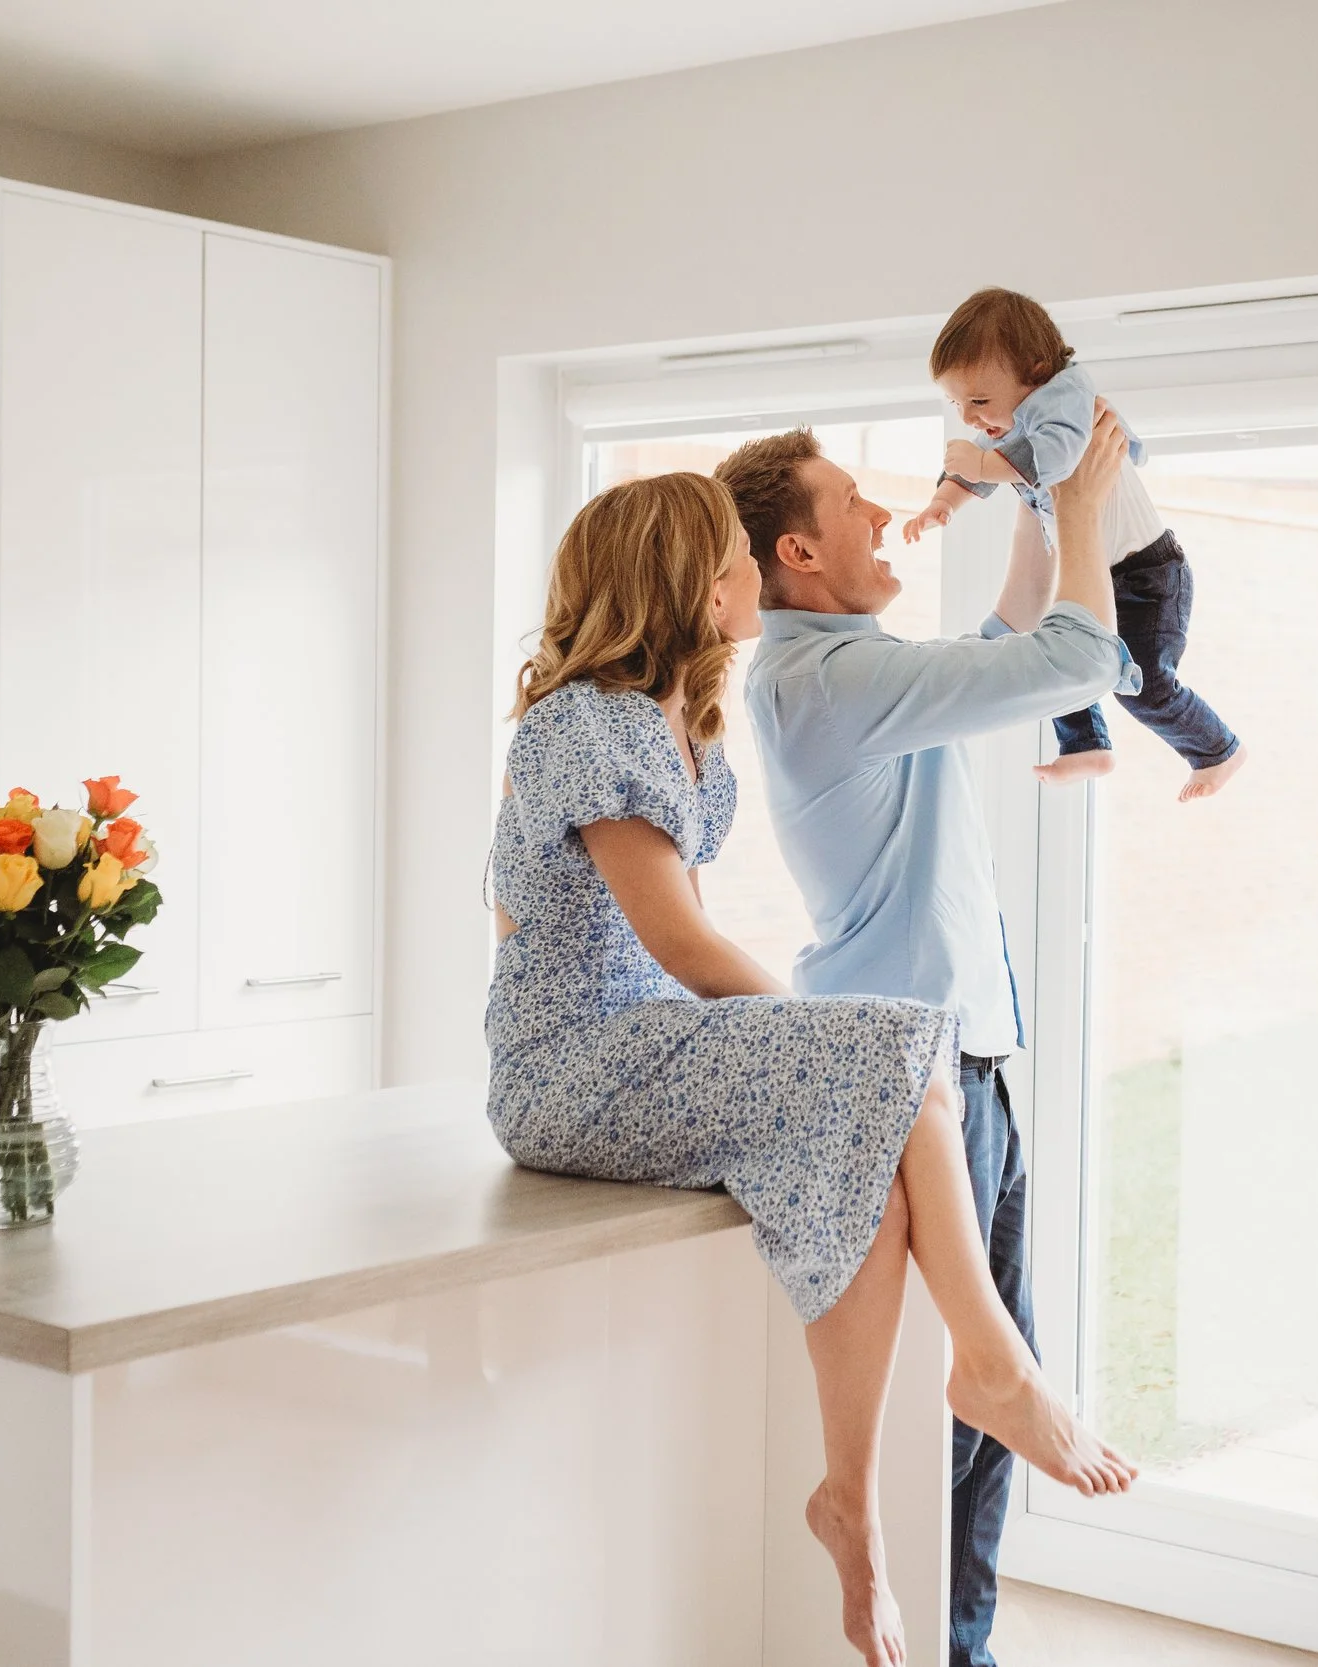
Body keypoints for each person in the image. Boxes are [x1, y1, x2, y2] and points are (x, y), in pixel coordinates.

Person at [485, 470, 1135, 1667]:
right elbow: (676, 940)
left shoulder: (676, 718)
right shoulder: (584, 724)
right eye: (733, 556)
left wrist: (836, 1058)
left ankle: (853, 1504)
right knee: (885, 1046)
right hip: (568, 1063)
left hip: (640, 1046)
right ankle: (991, 1363)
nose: (750, 575)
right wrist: (823, 1043)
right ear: (687, 578)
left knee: (881, 1119)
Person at [718, 404, 1138, 1667]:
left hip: (968, 1066)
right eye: (847, 501)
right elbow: (1074, 658)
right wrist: (1080, 509)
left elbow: (1010, 633)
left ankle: (969, 1647)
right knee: (962, 1410)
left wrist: (1023, 487)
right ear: (798, 554)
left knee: (990, 1406)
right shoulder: (823, 678)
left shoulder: (861, 672)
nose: (873, 509)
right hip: (911, 1077)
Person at [901, 286, 1248, 802]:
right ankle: (1086, 746)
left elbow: (1053, 461)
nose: (970, 419)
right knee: (1055, 654)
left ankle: (1218, 750)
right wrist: (945, 502)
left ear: (1037, 373)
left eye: (978, 401)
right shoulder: (1013, 420)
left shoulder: (1067, 403)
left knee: (1149, 686)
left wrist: (978, 465)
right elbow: (984, 462)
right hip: (1104, 573)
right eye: (956, 403)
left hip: (1148, 576)